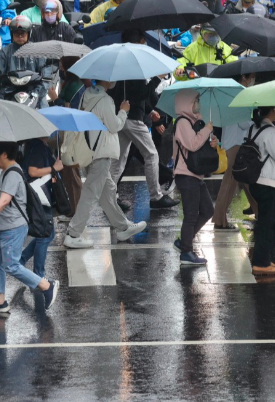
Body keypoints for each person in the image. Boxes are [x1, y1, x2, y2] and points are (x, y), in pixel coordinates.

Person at [63, 79, 148, 249]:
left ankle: (122, 227)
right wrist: (123, 111)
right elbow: (114, 126)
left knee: (107, 192)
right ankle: (73, 233)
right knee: (91, 193)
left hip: (89, 150)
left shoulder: (86, 95)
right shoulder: (105, 100)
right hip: (102, 151)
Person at [0, 141, 59, 313]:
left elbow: (5, 200)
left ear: (4, 154)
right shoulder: (6, 172)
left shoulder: (13, 173)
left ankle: (46, 285)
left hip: (12, 228)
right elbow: (4, 195)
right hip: (3, 227)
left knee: (11, 265)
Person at [108, 30, 179, 210]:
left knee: (120, 158)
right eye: (144, 42)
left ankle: (109, 197)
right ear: (139, 41)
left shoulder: (119, 62)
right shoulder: (134, 64)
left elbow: (132, 94)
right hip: (131, 119)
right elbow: (141, 94)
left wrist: (149, 110)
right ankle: (155, 197)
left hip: (122, 116)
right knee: (151, 154)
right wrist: (157, 78)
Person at [170, 90, 218, 266]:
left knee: (207, 210)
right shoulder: (182, 122)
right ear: (186, 102)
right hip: (185, 174)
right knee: (191, 214)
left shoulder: (194, 121)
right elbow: (192, 144)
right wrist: (206, 130)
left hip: (195, 174)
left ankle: (185, 241)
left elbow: (200, 144)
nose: (198, 103)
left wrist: (213, 142)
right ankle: (186, 253)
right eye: (195, 100)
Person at [248, 105, 275, 275]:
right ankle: (261, 262)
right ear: (274, 110)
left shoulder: (255, 127)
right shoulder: (270, 131)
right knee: (268, 223)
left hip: (257, 181)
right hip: (268, 182)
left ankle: (264, 255)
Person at [213, 73, 257, 230]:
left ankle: (259, 213)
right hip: (236, 144)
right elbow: (244, 123)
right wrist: (258, 122)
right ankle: (219, 220)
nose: (252, 80)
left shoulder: (231, 95)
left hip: (233, 142)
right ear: (244, 78)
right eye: (251, 77)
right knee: (229, 183)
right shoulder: (240, 96)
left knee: (246, 181)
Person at [19, 137, 60, 278]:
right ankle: (38, 276)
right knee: (45, 235)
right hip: (39, 196)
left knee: (49, 234)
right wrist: (54, 168)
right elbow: (33, 171)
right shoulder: (38, 147)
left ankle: (22, 259)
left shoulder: (37, 144)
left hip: (38, 195)